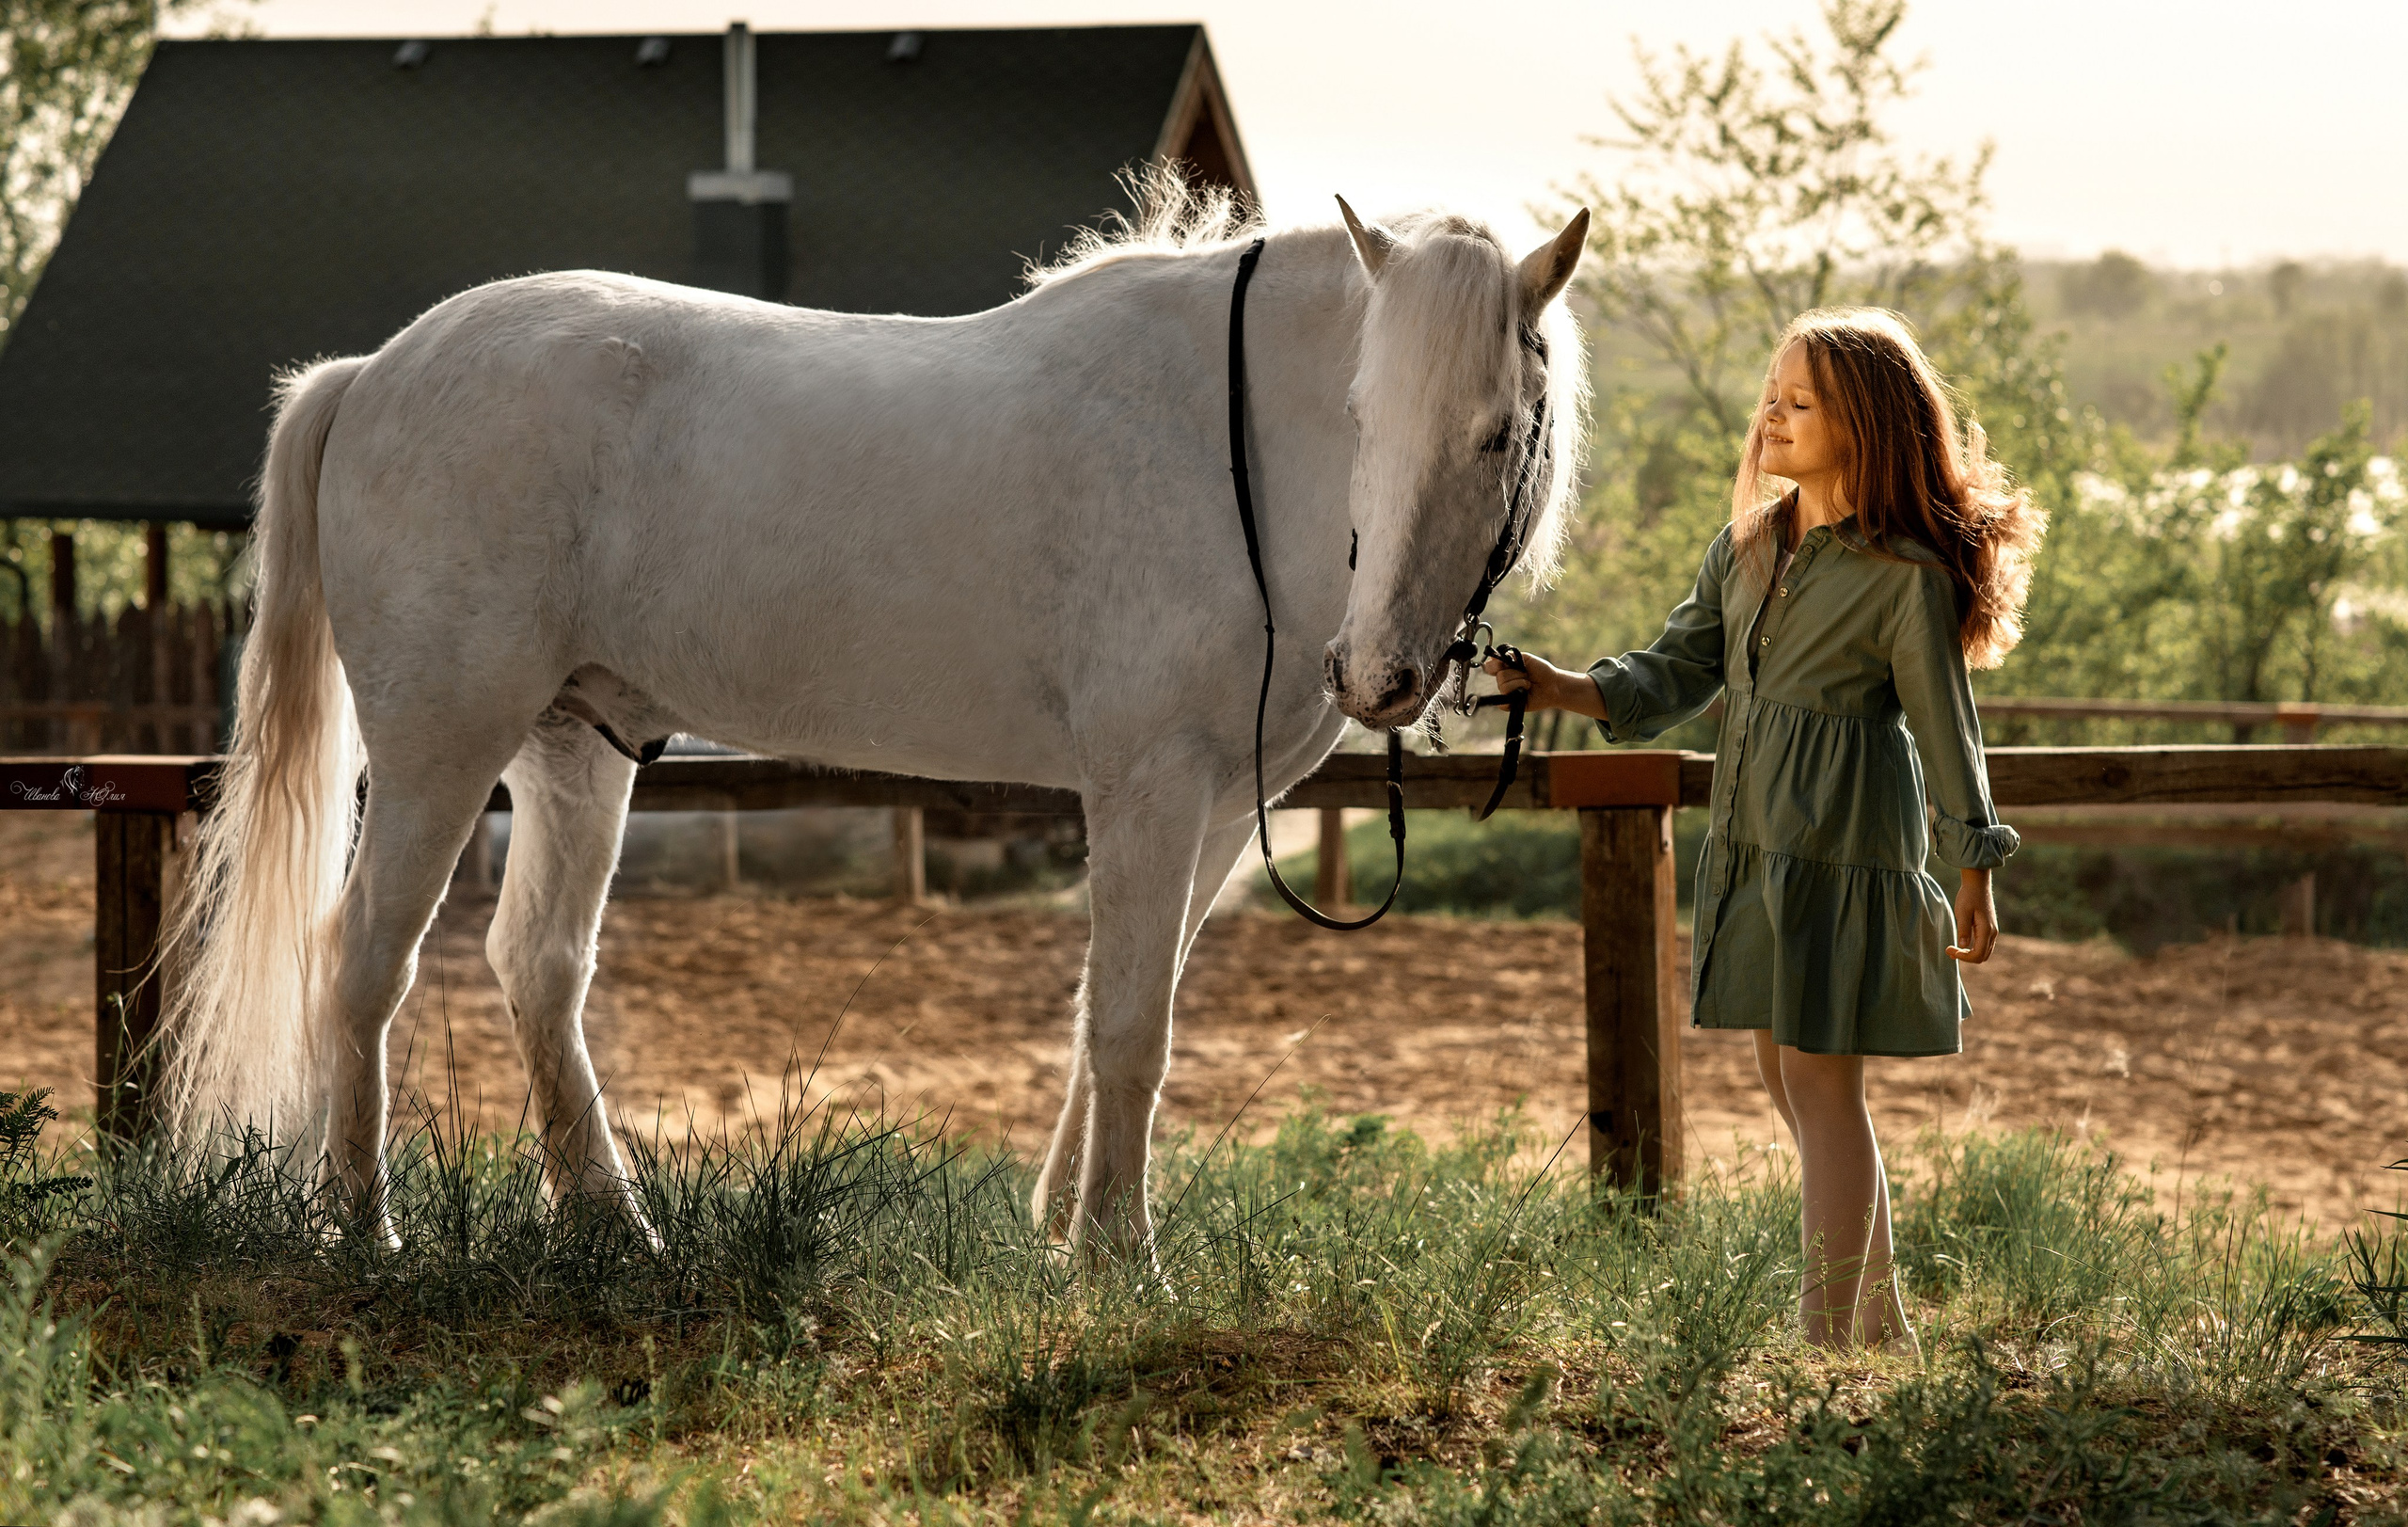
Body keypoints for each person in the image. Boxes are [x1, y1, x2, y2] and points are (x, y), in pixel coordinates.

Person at [1488, 307, 2046, 1352]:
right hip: (1752, 847)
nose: (1771, 420)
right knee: (1780, 1075)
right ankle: (1881, 1328)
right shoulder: (1746, 547)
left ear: (1867, 424)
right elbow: (1672, 671)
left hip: (1844, 849)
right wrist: (1559, 685)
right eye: (1769, 400)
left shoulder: (1904, 576)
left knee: (1818, 1082)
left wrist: (1973, 864)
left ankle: (1828, 1339)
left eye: (1800, 403)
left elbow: (1944, 725)